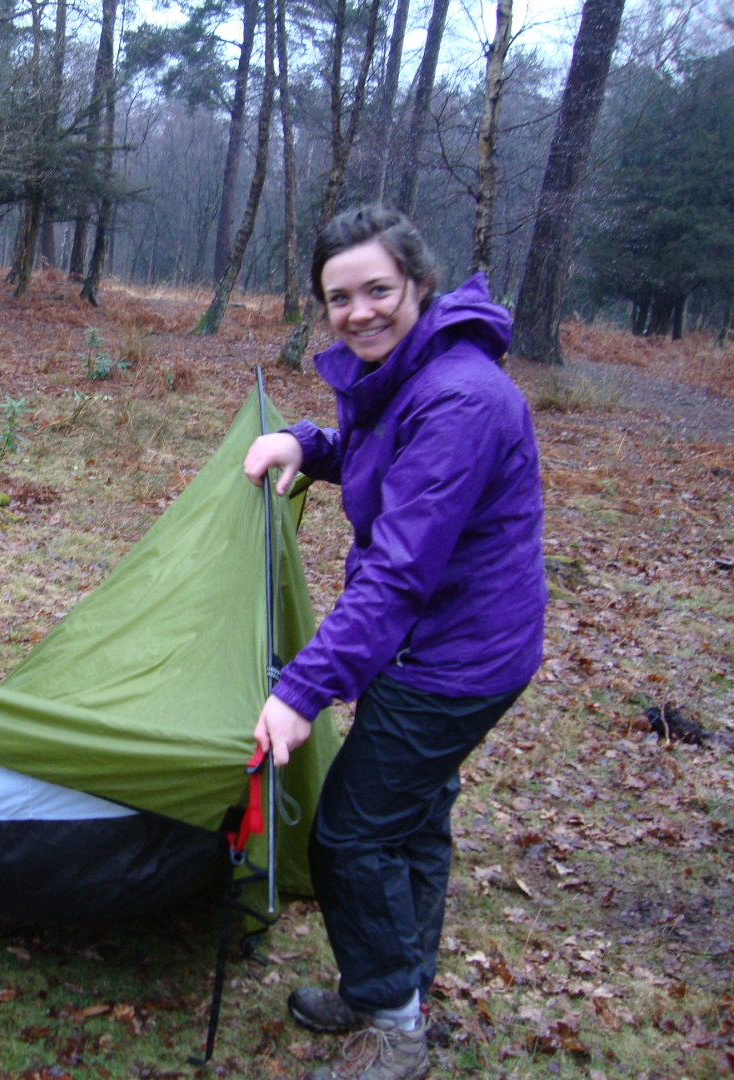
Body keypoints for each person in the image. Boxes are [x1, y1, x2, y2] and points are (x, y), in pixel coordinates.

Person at [243, 206, 545, 1080]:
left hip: (453, 657)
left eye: (378, 289)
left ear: (418, 283)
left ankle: (391, 1019)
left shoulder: (459, 397)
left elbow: (400, 573)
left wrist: (301, 691)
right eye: (340, 298)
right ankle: (398, 984)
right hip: (455, 640)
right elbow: (382, 454)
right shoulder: (418, 374)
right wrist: (305, 441)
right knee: (413, 819)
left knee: (352, 836)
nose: (360, 312)